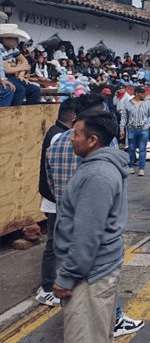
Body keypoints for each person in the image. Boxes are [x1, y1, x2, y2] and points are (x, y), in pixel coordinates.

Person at [45, 94, 144, 338]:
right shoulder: (92, 166)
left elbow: (87, 234)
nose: (71, 139)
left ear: (92, 140)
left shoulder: (98, 175)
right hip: (89, 270)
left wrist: (66, 277)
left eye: (76, 135)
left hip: (89, 275)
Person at [36, 97, 76, 307]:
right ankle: (46, 287)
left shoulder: (55, 131)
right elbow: (57, 174)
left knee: (56, 242)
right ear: (73, 117)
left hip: (54, 197)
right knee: (53, 244)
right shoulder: (59, 136)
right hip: (54, 199)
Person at [119, 85, 150, 176]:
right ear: (137, 93)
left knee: (143, 149)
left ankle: (141, 168)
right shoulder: (127, 103)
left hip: (143, 129)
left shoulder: (147, 103)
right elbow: (124, 117)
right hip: (131, 128)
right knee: (131, 148)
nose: (145, 95)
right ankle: (130, 166)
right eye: (143, 93)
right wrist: (122, 128)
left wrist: (148, 124)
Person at [0, 24, 41, 106]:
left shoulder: (13, 49)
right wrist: (19, 68)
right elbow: (4, 69)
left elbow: (25, 62)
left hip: (11, 76)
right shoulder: (0, 48)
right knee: (19, 90)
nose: (18, 41)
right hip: (3, 76)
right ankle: (13, 115)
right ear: (5, 38)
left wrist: (21, 75)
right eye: (15, 38)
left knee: (35, 89)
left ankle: (29, 114)